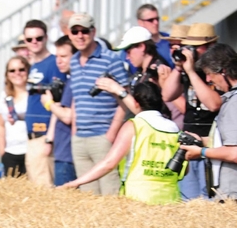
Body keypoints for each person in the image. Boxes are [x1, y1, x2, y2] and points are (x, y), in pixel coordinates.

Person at [62, 81, 182, 204]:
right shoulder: (175, 128)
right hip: (170, 198)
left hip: (138, 197)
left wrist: (76, 182)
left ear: (135, 102)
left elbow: (109, 163)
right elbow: (183, 169)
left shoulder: (134, 125)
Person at [67, 12, 130, 196]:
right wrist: (74, 132)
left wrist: (111, 134)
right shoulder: (73, 61)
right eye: (75, 31)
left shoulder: (111, 59)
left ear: (93, 32)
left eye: (84, 31)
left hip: (103, 136)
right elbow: (76, 99)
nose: (80, 35)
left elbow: (125, 98)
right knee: (87, 198)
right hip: (80, 138)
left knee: (110, 194)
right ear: (69, 34)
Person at [161, 22, 221, 200]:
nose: (192, 51)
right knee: (189, 200)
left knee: (210, 198)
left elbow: (214, 105)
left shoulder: (218, 73)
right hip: (189, 139)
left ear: (211, 46)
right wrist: (179, 68)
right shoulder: (189, 69)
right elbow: (167, 95)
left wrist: (192, 73)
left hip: (210, 143)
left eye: (196, 47)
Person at [180, 44, 237, 201]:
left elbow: (234, 153)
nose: (208, 80)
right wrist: (201, 141)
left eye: (209, 74)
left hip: (232, 193)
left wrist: (201, 152)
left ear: (223, 71)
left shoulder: (234, 103)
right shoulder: (231, 99)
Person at [22, 20, 63, 186]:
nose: (34, 42)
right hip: (33, 137)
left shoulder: (54, 63)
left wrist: (49, 139)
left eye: (38, 38)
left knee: (45, 191)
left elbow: (59, 103)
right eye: (29, 39)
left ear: (46, 38)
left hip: (44, 136)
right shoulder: (34, 65)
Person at [98, 26, 172, 118]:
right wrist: (114, 90)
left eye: (128, 52)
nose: (127, 57)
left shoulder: (157, 71)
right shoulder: (141, 72)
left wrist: (118, 89)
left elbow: (144, 111)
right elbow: (131, 106)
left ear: (141, 47)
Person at [44, 35, 77, 186]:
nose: (58, 61)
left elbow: (68, 117)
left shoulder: (74, 81)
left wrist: (49, 104)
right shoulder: (70, 79)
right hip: (64, 152)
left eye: (64, 56)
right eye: (57, 56)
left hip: (67, 156)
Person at [0, 55, 30, 177]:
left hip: (29, 152)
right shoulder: (4, 95)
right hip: (10, 152)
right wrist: (2, 152)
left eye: (21, 69)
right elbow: (0, 125)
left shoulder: (33, 94)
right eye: (12, 70)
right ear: (7, 74)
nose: (17, 73)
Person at [135, 3, 173, 68]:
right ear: (140, 22)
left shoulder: (170, 40)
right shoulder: (133, 47)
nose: (156, 23)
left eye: (157, 19)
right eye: (151, 20)